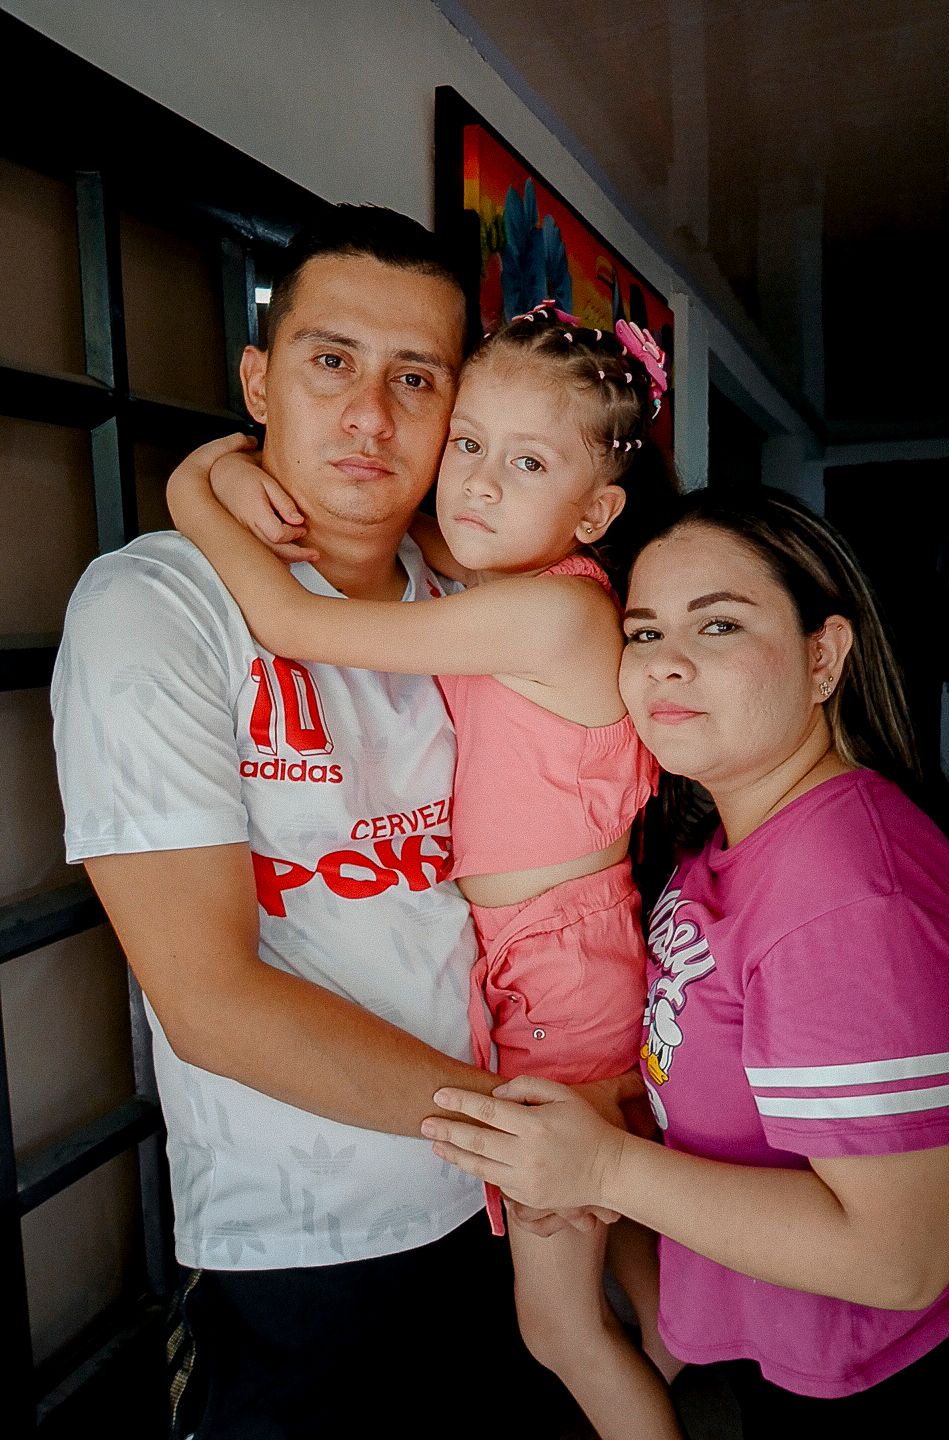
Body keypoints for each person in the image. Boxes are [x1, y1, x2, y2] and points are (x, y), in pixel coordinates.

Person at [50, 206, 634, 1439]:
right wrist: (526, 1137)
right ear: (258, 380)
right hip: (311, 1242)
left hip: (503, 1183)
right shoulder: (158, 607)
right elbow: (209, 1002)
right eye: (330, 362)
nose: (371, 416)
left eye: (414, 379)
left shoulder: (467, 589)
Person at [422, 487, 949, 1436]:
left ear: (825, 656)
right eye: (642, 635)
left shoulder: (849, 899)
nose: (667, 665)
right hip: (814, 1368)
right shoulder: (728, 841)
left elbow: (897, 1259)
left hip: (919, 1390)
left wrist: (603, 1168)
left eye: (718, 625)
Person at [165, 303, 685, 1440]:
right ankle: (688, 1382)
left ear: (596, 510)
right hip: (558, 961)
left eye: (528, 460)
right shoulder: (516, 576)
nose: (481, 483)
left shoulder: (548, 613)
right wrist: (244, 458)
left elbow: (290, 621)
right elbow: (422, 536)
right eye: (469, 444)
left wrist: (190, 490)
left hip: (558, 984)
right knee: (640, 1276)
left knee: (559, 1329)